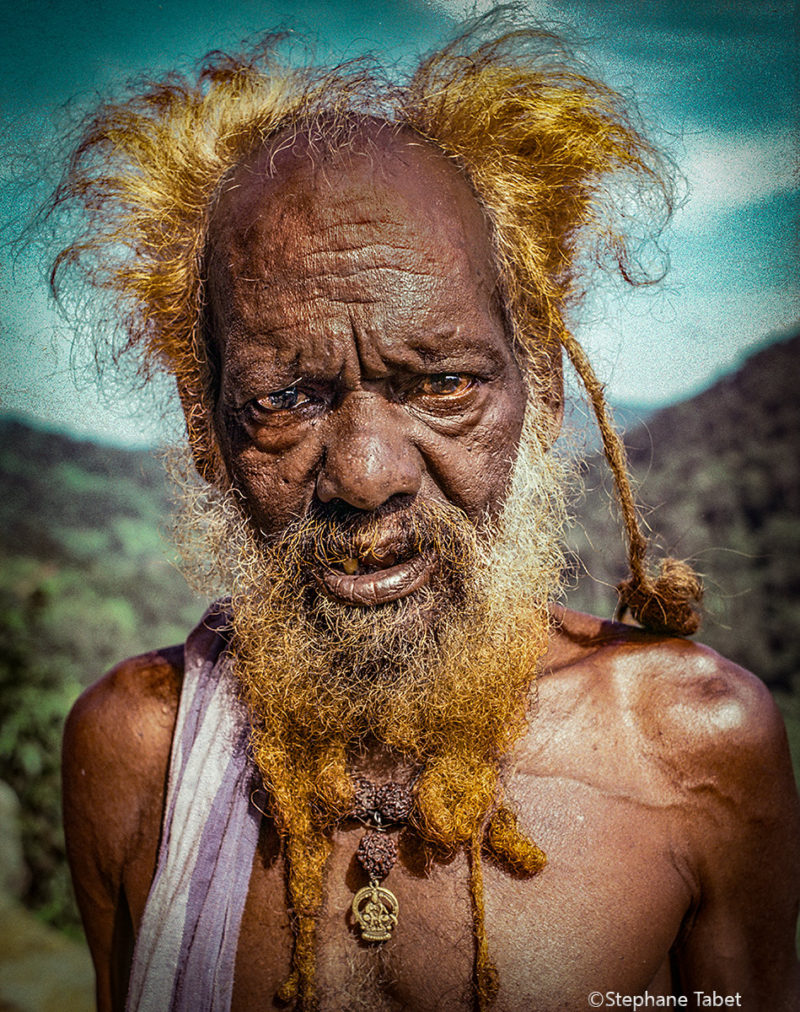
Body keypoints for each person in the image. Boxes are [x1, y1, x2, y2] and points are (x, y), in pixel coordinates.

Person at [57, 16, 799, 1012]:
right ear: (207, 426)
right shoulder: (134, 751)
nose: (365, 475)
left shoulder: (692, 748)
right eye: (283, 399)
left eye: (443, 382)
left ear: (537, 386)